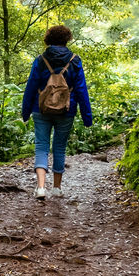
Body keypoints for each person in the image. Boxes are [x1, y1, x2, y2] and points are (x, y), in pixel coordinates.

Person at [20, 24, 93, 200]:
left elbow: (31, 86)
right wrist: (87, 116)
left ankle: (40, 188)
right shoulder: (75, 61)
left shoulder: (40, 59)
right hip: (67, 110)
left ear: (49, 39)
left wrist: (26, 111)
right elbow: (81, 89)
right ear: (67, 39)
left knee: (41, 147)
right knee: (59, 147)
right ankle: (57, 188)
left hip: (41, 109)